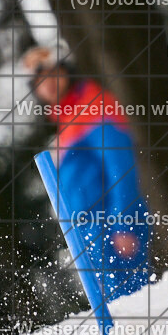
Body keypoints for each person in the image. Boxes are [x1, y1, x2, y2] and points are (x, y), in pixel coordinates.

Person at [22, 45, 150, 298]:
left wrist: (124, 224)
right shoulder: (66, 118)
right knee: (117, 314)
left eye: (51, 74)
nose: (46, 85)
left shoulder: (93, 104)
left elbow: (121, 167)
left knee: (131, 310)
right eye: (39, 81)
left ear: (66, 71)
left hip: (113, 227)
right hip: (92, 232)